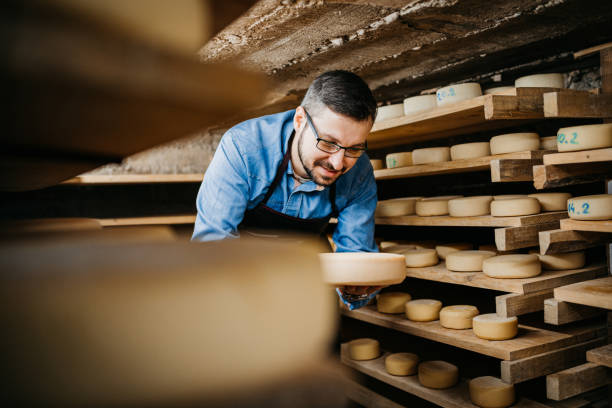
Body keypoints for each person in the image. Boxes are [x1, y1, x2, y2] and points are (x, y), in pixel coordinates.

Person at [192, 70, 382, 309]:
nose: (338, 163)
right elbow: (213, 244)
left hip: (308, 278)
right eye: (328, 143)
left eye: (354, 148)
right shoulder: (243, 147)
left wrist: (357, 288)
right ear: (300, 120)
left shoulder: (359, 173)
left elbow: (356, 256)